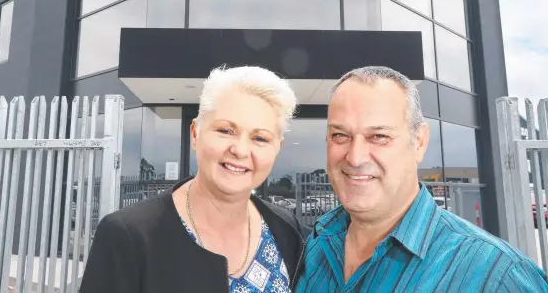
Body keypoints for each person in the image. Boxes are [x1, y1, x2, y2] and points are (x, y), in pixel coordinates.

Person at [294, 66, 548, 292]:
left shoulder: (496, 276)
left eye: (379, 136)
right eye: (340, 135)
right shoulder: (310, 250)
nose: (355, 157)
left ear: (420, 142)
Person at [80, 65, 305, 293]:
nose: (240, 150)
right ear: (195, 133)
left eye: (260, 138)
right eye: (226, 131)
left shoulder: (285, 228)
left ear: (277, 148)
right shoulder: (128, 236)